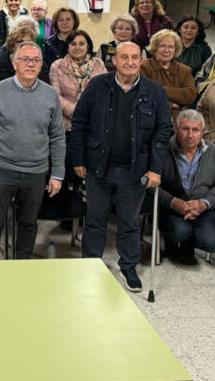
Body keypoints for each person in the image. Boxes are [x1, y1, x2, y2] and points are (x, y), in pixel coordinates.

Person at [69, 42, 173, 292]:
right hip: (98, 168)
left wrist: (156, 169)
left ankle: (128, 266)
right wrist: (79, 160)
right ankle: (91, 266)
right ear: (114, 61)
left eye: (134, 57)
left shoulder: (154, 91)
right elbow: (79, 123)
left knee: (129, 222)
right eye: (123, 57)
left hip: (135, 172)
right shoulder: (97, 86)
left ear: (141, 61)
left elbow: (163, 132)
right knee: (95, 221)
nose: (129, 62)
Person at [0, 41, 65, 260]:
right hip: (2, 168)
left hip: (36, 171)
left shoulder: (50, 95)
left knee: (28, 224)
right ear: (14, 62)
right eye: (25, 59)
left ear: (41, 65)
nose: (30, 64)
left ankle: (22, 268)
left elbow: (57, 136)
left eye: (35, 60)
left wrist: (57, 173)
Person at [157, 109, 215, 262]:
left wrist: (203, 204)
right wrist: (173, 202)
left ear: (203, 132)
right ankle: (177, 239)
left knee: (213, 243)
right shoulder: (163, 150)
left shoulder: (213, 152)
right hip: (171, 209)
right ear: (175, 129)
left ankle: (186, 241)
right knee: (180, 232)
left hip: (202, 209)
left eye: (195, 130)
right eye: (185, 129)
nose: (190, 135)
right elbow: (152, 186)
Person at [49, 30, 107, 133]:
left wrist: (92, 114)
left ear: (88, 46)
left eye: (81, 43)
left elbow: (105, 92)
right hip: (68, 127)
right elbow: (55, 96)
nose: (77, 47)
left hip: (95, 123)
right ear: (67, 46)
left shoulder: (99, 64)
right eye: (73, 44)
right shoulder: (57, 66)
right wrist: (78, 113)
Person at [140, 29, 197, 119]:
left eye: (171, 47)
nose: (167, 50)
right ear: (155, 48)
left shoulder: (184, 70)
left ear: (175, 49)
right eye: (162, 46)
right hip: (149, 119)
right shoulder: (144, 66)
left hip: (176, 123)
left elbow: (190, 95)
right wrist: (172, 105)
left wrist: (158, 89)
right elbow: (143, 94)